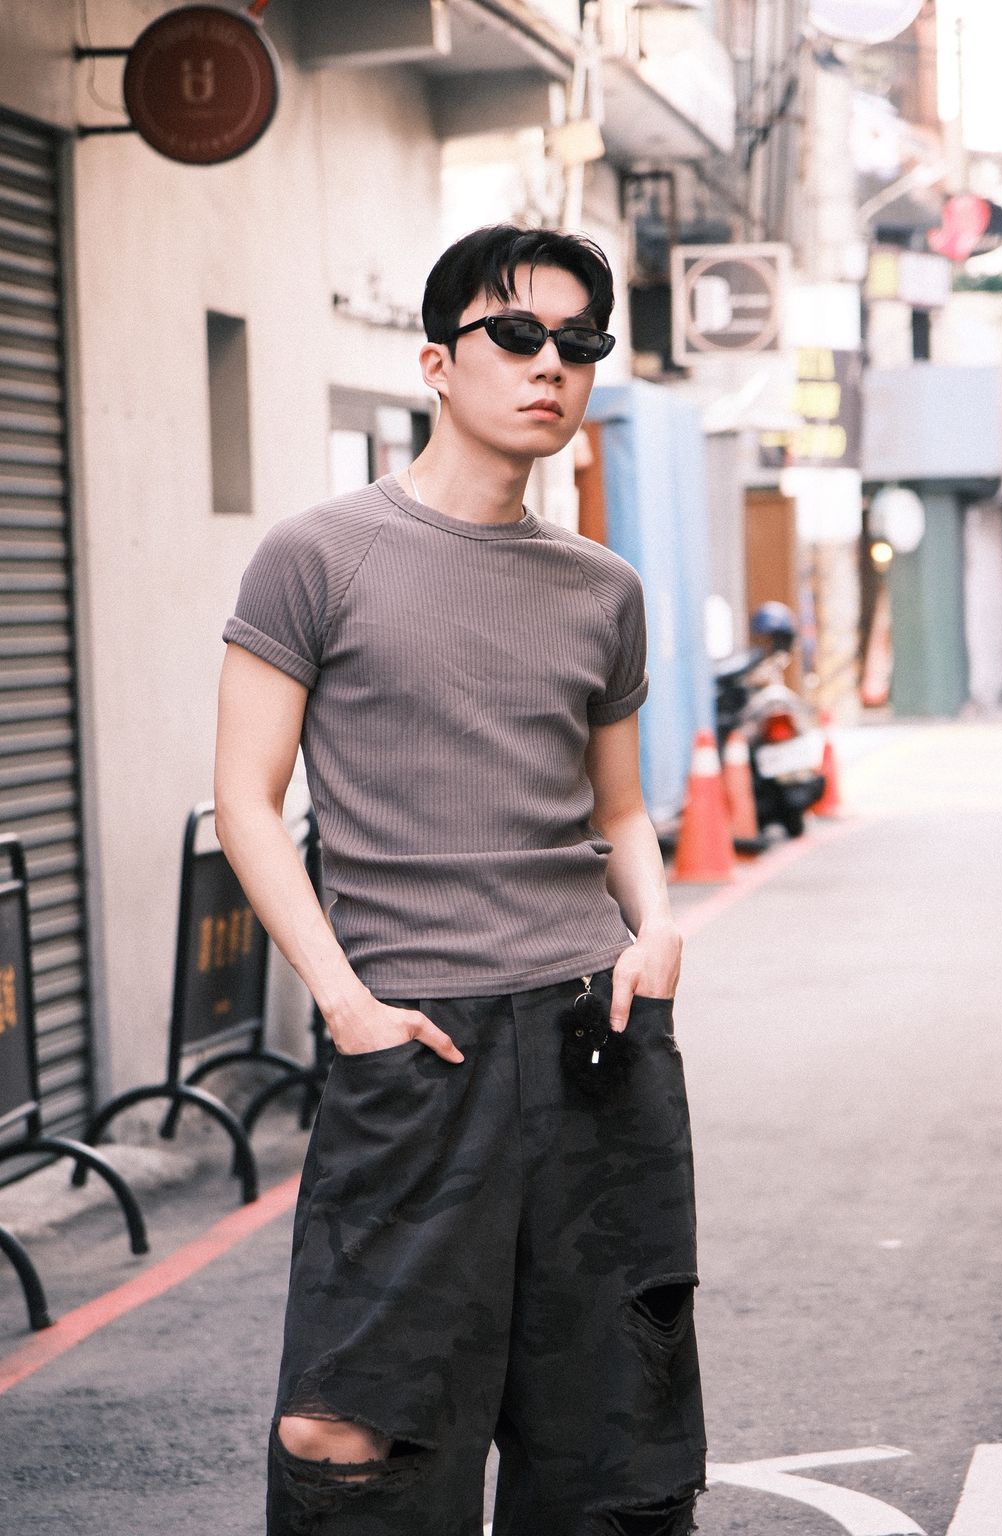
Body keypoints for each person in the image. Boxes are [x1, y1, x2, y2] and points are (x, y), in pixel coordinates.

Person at [215, 224, 705, 1536]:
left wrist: (658, 926)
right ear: (437, 361)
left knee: (611, 1443)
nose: (552, 366)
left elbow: (618, 809)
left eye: (580, 343)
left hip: (596, 1038)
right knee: (349, 1437)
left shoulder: (602, 589)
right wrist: (343, 1003)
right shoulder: (316, 557)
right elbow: (247, 802)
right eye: (518, 334)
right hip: (414, 1048)